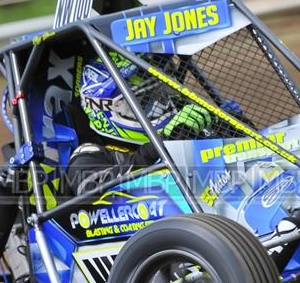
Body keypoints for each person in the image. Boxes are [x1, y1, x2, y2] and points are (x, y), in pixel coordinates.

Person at [65, 51, 213, 195]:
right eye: (145, 102)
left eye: (160, 94)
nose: (160, 106)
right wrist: (162, 144)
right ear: (110, 110)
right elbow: (90, 190)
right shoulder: (88, 154)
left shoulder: (178, 126)